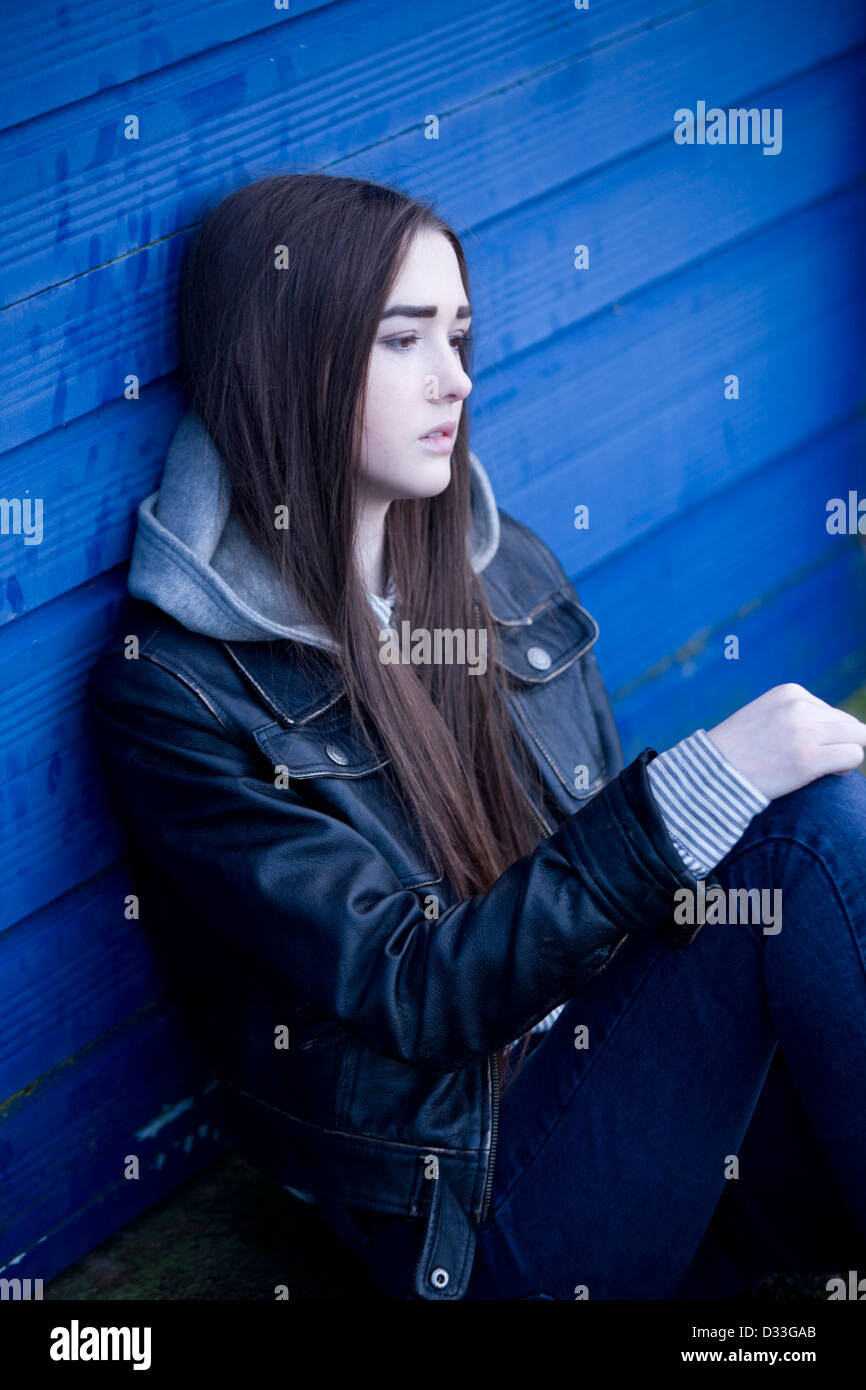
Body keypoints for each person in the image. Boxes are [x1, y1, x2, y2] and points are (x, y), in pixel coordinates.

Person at [86, 172, 866, 1301]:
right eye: (402, 340)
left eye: (457, 334)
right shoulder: (178, 695)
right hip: (481, 1207)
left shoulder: (499, 568)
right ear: (283, 360)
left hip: (624, 1099)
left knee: (815, 833)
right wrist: (710, 785)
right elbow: (409, 987)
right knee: (799, 838)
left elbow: (621, 914)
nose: (455, 377)